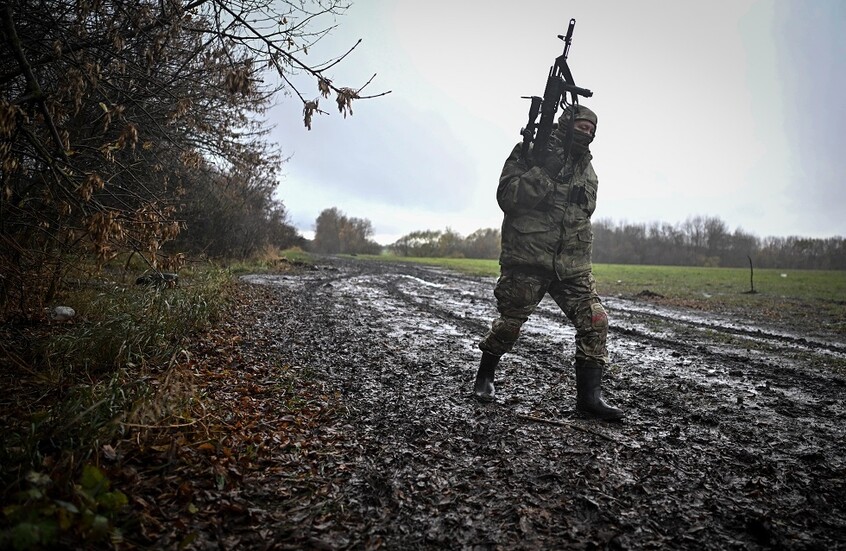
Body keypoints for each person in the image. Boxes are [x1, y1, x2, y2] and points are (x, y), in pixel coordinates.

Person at [473, 104, 623, 421]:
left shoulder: (588, 170)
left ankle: (589, 399)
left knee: (596, 320)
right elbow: (507, 197)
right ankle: (485, 376)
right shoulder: (530, 152)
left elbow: (583, 214)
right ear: (565, 125)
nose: (586, 134)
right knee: (509, 325)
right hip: (529, 258)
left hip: (572, 265)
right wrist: (545, 171)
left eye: (591, 130)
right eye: (581, 127)